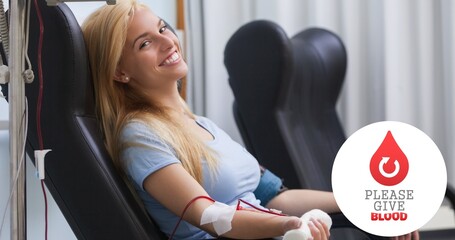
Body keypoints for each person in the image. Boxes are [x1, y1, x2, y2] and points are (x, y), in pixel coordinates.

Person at [81, 0, 419, 239]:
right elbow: (210, 217)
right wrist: (285, 226)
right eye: (145, 43)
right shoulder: (140, 137)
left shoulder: (201, 124)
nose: (168, 41)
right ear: (119, 72)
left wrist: (368, 203)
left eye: (162, 28)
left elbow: (275, 197)